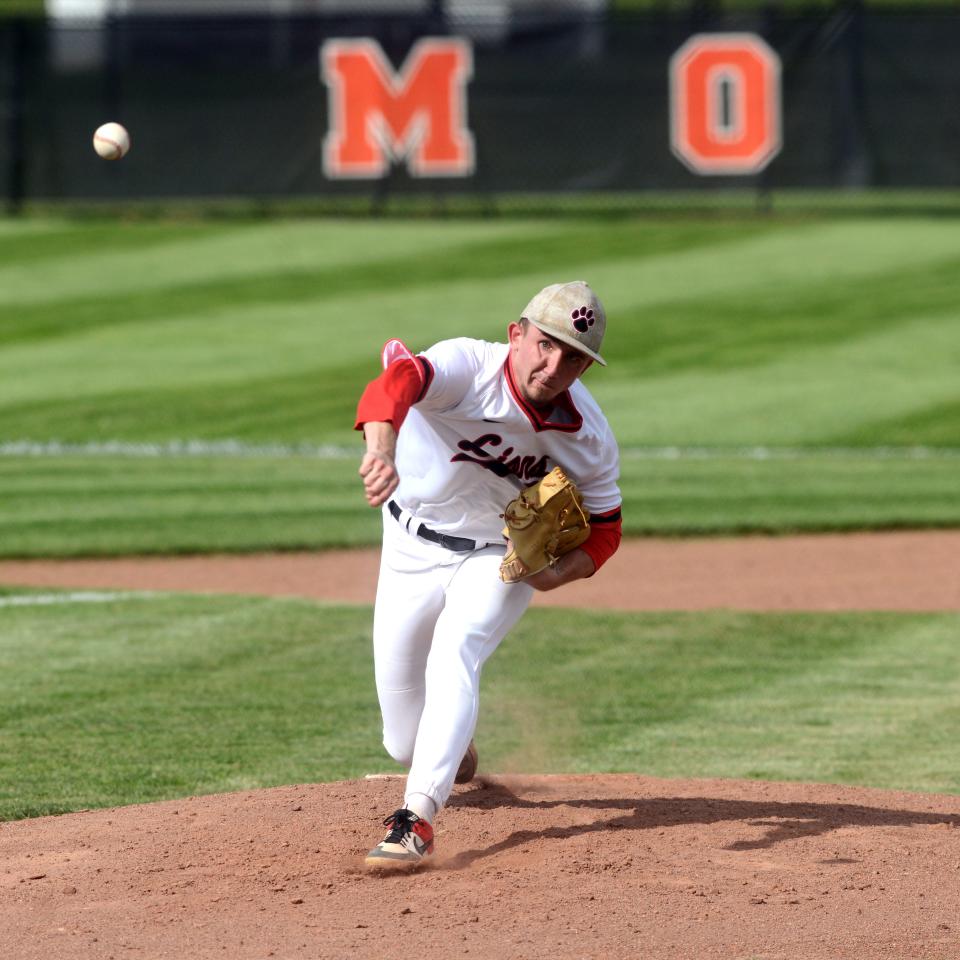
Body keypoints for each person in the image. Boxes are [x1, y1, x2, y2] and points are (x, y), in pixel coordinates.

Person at [354, 280, 622, 869]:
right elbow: (394, 383)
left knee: (458, 649)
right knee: (403, 738)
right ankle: (453, 752)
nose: (555, 366)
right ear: (516, 334)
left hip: (495, 559)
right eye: (546, 344)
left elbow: (607, 529)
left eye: (574, 357)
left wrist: (559, 574)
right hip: (407, 545)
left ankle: (416, 820)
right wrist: (381, 449)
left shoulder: (589, 436)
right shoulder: (467, 367)